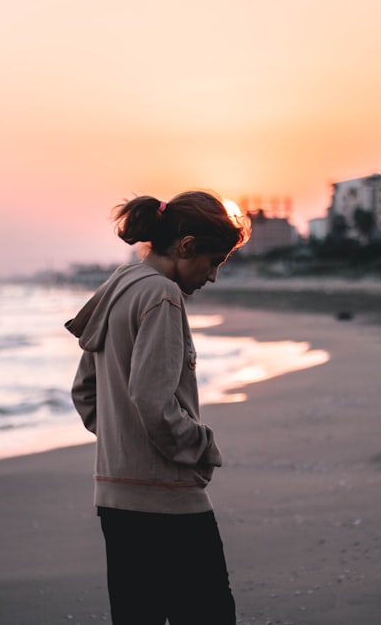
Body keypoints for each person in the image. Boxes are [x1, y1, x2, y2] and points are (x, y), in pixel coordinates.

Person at [65, 190, 249, 624]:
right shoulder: (162, 296)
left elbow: (84, 392)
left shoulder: (118, 287)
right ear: (186, 247)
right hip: (167, 501)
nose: (213, 276)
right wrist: (201, 447)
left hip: (115, 497)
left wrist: (122, 440)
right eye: (215, 261)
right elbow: (152, 402)